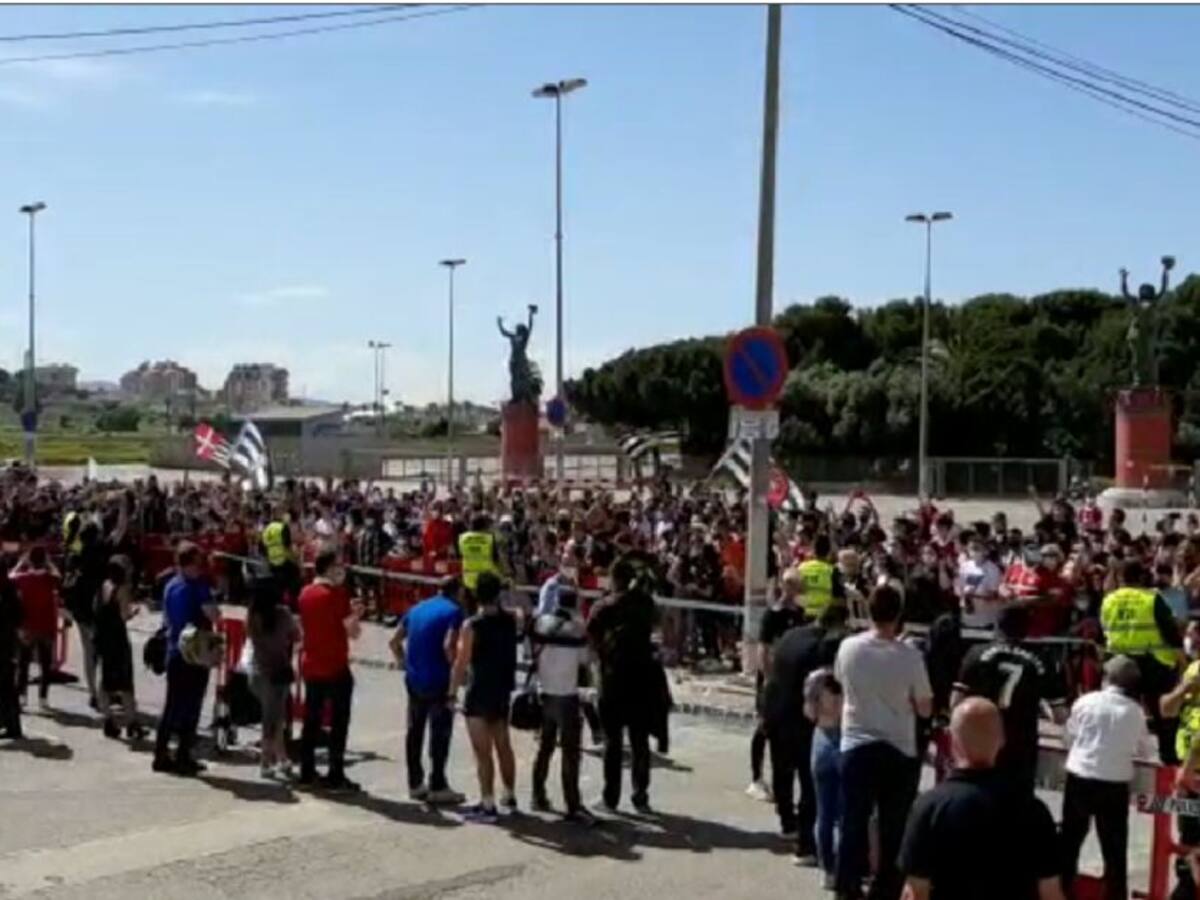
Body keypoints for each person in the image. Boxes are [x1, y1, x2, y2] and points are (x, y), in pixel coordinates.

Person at [898, 698, 1066, 900]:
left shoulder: (929, 807)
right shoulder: (1034, 810)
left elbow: (915, 892)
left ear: (951, 740)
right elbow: (1051, 893)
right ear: (1002, 740)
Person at [834, 585, 932, 900]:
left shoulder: (848, 648)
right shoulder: (910, 656)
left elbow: (840, 682)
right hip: (898, 747)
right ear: (899, 614)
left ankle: (846, 885)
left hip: (856, 742)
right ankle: (886, 889)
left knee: (853, 820)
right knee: (894, 825)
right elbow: (925, 706)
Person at [1060, 655, 1154, 900]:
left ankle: (1060, 891)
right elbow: (1143, 750)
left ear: (1106, 677)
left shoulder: (1085, 701)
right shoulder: (1135, 712)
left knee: (1069, 843)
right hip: (1114, 783)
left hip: (1080, 776)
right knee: (1114, 851)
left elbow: (1069, 737)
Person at [761, 602, 849, 861]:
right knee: (808, 782)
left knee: (781, 769)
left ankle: (787, 821)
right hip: (800, 719)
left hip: (775, 710)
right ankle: (805, 843)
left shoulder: (791, 635)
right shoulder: (822, 647)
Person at [951, 605, 1055, 793]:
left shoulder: (976, 653)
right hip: (1021, 742)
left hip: (982, 736)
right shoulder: (1042, 661)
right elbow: (1059, 713)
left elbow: (957, 701)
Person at [587, 554, 658, 814]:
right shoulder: (645, 604)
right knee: (640, 742)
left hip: (613, 678)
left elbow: (591, 637)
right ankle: (641, 797)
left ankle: (610, 798)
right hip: (641, 678)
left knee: (612, 741)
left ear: (614, 579)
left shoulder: (604, 607)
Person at [390, 576, 466, 805]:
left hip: (415, 679)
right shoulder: (455, 612)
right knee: (440, 732)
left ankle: (415, 783)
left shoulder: (417, 608)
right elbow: (448, 645)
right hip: (439, 679)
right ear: (459, 591)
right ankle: (438, 784)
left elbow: (394, 641)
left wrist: (403, 663)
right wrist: (457, 671)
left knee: (414, 730)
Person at [450, 571, 519, 822]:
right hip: (502, 689)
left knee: (482, 751)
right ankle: (509, 793)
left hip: (479, 690)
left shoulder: (472, 625)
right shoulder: (510, 620)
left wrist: (451, 692)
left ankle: (487, 802)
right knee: (504, 745)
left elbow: (461, 662)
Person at [1101, 558, 1183, 762]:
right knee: (1163, 713)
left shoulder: (1109, 600)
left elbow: (1104, 629)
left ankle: (1116, 754)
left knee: (1119, 711)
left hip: (1119, 665)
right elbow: (1171, 632)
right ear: (1142, 576)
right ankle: (1168, 757)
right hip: (1153, 663)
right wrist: (1180, 655)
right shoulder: (1151, 599)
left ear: (1120, 577)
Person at [297, 547, 361, 792]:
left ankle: (306, 771)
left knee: (311, 721)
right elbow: (352, 632)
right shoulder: (336, 594)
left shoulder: (305, 593)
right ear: (328, 567)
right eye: (338, 565)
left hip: (312, 663)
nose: (342, 569)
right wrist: (356, 614)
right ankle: (336, 773)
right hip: (335, 664)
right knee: (339, 722)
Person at [153, 542, 219, 776]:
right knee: (191, 705)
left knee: (172, 705)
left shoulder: (171, 585)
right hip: (195, 651)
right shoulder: (197, 586)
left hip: (174, 649)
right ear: (191, 563)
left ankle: (161, 753)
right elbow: (213, 614)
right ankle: (183, 755)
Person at [530, 583, 593, 823]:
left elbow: (531, 651)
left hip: (544, 693)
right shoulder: (577, 630)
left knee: (544, 749)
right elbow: (585, 660)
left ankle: (538, 795)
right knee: (570, 753)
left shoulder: (540, 624)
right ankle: (573, 804)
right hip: (567, 696)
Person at [747, 569, 807, 802]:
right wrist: (770, 678)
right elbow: (763, 648)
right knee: (764, 726)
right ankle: (756, 778)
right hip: (774, 679)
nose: (793, 590)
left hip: (792, 679)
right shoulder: (773, 615)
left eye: (796, 585)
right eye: (790, 585)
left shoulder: (800, 614)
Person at [246, 575, 300, 779]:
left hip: (257, 671)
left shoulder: (252, 617)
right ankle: (266, 761)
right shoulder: (283, 615)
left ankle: (282, 757)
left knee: (275, 717)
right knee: (272, 719)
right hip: (278, 671)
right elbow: (297, 635)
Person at [94, 556, 144, 741]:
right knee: (125, 683)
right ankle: (132, 722)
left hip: (103, 638)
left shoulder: (104, 585)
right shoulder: (122, 589)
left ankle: (108, 719)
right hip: (117, 638)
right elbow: (124, 615)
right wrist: (133, 612)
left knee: (106, 680)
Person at [804, 665, 844, 890]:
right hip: (844, 737)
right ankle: (840, 865)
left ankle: (826, 869)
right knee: (842, 813)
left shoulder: (816, 679)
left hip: (822, 736)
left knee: (823, 812)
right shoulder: (847, 676)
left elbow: (809, 713)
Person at [12, 547, 61, 713]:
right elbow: (58, 576)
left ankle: (21, 696)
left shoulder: (22, 578)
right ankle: (43, 698)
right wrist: (50, 563)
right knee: (45, 665)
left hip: (27, 626)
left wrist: (20, 564)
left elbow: (9, 577)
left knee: (23, 663)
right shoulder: (49, 578)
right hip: (46, 626)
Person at [795, 533, 844, 621]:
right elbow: (840, 599)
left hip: (803, 616)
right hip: (825, 617)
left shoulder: (801, 568)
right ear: (829, 551)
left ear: (813, 550)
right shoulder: (832, 571)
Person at [0, 560, 23, 739]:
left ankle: (12, 725)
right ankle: (8, 722)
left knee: (7, 686)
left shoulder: (7, 590)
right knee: (7, 686)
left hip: (4, 644)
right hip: (8, 643)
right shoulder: (10, 589)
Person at [458, 514, 501, 602]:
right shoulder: (489, 538)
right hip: (486, 581)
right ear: (483, 526)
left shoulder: (462, 538)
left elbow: (460, 555)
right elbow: (496, 559)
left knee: (471, 609)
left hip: (468, 581)